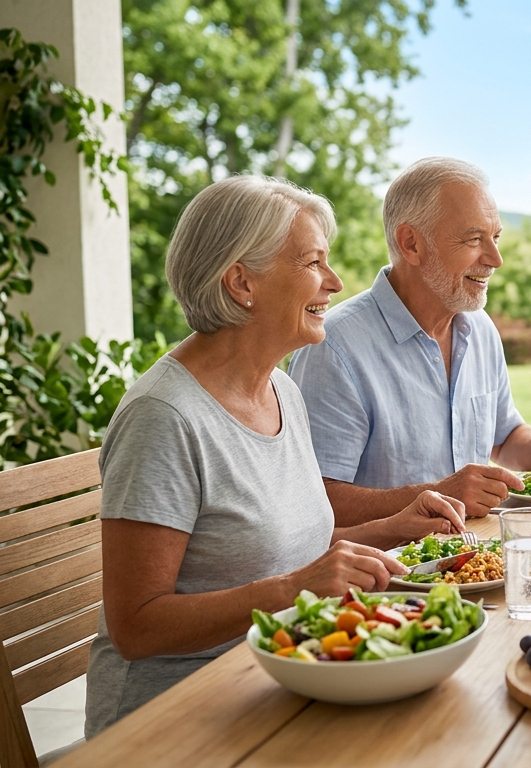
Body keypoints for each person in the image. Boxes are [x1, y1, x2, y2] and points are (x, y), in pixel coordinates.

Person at [88, 176, 465, 737]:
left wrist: (390, 529)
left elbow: (285, 550)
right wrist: (293, 591)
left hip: (280, 682)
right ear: (242, 281)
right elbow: (136, 626)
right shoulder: (163, 418)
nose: (335, 283)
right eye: (313, 263)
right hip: (175, 721)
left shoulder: (281, 390)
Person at [288, 158, 531, 524]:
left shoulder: (479, 328)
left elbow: (503, 440)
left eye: (496, 237)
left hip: (475, 562)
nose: (496, 259)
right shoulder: (334, 347)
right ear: (412, 244)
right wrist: (437, 494)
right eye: (474, 239)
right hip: (386, 576)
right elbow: (315, 500)